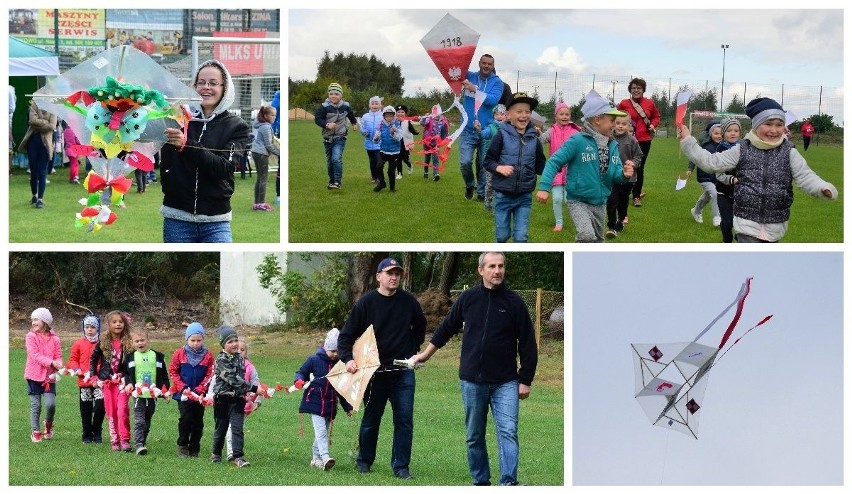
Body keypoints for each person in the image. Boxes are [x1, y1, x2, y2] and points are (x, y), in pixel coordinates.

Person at [410, 252, 538, 486]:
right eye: (492, 266)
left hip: (506, 381)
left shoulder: (514, 303)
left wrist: (525, 379)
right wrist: (425, 355)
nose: (497, 270)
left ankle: (508, 482)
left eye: (501, 266)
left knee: (508, 431)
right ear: (481, 270)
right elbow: (446, 328)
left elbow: (528, 344)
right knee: (474, 436)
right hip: (472, 380)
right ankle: (481, 482)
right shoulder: (468, 298)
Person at [677, 97, 838, 243]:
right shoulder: (742, 149)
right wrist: (688, 141)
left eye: (779, 125)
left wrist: (822, 187)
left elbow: (805, 176)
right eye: (768, 124)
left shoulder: (789, 152)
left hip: (776, 225)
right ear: (756, 125)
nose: (774, 130)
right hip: (746, 226)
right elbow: (712, 162)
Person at [338, 257, 426, 479]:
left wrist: (414, 349)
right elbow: (346, 336)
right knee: (372, 418)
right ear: (379, 277)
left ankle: (401, 467)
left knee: (404, 420)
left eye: (397, 273)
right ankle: (364, 461)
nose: (394, 277)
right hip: (375, 373)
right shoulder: (367, 303)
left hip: (403, 373)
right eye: (389, 273)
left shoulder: (409, 302)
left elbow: (421, 325)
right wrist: (348, 359)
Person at [161, 59, 251, 243]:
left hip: (216, 222)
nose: (206, 87)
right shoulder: (176, 117)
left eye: (213, 83)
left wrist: (187, 145)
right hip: (176, 219)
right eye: (201, 82)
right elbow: (141, 133)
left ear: (224, 87)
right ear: (193, 86)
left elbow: (224, 168)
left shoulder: (236, 126)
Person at [536, 90, 635, 242]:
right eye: (612, 120)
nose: (615, 125)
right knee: (587, 235)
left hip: (600, 201)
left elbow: (615, 174)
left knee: (598, 240)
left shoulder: (613, 145)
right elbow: (554, 161)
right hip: (578, 200)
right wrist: (544, 187)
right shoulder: (577, 141)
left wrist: (624, 174)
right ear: (598, 120)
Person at [482, 93, 546, 243]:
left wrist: (556, 173)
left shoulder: (534, 139)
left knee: (521, 237)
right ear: (509, 115)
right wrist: (499, 168)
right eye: (519, 111)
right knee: (502, 236)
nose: (524, 115)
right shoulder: (501, 135)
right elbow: (488, 161)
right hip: (503, 196)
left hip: (524, 197)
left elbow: (540, 165)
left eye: (527, 111)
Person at [294, 328, 353, 471]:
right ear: (326, 347)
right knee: (320, 433)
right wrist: (299, 380)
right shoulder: (313, 360)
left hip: (330, 405)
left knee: (322, 433)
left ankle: (316, 459)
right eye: (332, 351)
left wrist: (347, 407)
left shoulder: (339, 366)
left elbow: (340, 389)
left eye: (338, 351)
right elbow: (301, 372)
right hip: (315, 403)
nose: (335, 354)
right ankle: (325, 457)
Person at [210, 325, 258, 468]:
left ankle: (238, 456)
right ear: (223, 344)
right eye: (230, 342)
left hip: (237, 400)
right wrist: (254, 388)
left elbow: (243, 377)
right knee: (221, 428)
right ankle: (216, 453)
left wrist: (247, 394)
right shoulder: (220, 360)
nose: (234, 344)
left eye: (236, 340)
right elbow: (233, 379)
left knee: (237, 428)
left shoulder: (240, 358)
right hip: (222, 399)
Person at [459, 54, 504, 201]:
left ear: (493, 65)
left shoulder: (497, 82)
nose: (486, 66)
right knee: (465, 162)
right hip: (467, 129)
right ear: (479, 63)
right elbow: (456, 70)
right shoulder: (470, 76)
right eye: (484, 63)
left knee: (485, 165)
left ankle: (481, 193)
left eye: (489, 64)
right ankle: (469, 185)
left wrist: (474, 90)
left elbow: (492, 100)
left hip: (487, 130)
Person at [168, 321, 214, 458]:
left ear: (203, 339)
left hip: (200, 395)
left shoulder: (208, 355)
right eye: (192, 340)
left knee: (198, 422)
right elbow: (173, 371)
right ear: (187, 339)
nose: (195, 343)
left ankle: (194, 447)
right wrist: (182, 388)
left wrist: (201, 389)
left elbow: (210, 374)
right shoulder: (179, 353)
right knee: (186, 419)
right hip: (183, 394)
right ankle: (183, 445)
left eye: (199, 340)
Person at [89, 310, 133, 452]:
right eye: (114, 322)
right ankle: (115, 440)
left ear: (124, 324)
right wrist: (94, 376)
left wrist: (129, 379)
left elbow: (132, 364)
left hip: (123, 383)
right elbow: (93, 359)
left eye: (120, 322)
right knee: (111, 411)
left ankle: (125, 439)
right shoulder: (103, 342)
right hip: (107, 382)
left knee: (122, 410)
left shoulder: (128, 343)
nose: (118, 324)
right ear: (108, 325)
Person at [122, 328, 170, 455]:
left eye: (142, 340)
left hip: (152, 395)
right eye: (136, 341)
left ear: (147, 340)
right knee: (139, 420)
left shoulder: (157, 356)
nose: (140, 343)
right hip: (138, 395)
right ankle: (138, 444)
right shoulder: (130, 357)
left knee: (147, 422)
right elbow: (125, 373)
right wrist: (128, 383)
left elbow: (164, 376)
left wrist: (165, 391)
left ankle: (142, 442)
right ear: (132, 343)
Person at [539, 102, 582, 231]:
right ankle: (559, 223)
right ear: (556, 116)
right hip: (556, 171)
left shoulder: (576, 131)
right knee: (557, 198)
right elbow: (540, 141)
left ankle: (579, 223)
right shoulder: (551, 130)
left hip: (572, 172)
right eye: (561, 114)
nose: (564, 116)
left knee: (569, 200)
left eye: (567, 114)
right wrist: (537, 134)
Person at [617, 77, 660, 207]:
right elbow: (615, 117)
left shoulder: (649, 103)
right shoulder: (624, 103)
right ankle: (620, 191)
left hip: (643, 140)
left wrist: (653, 125)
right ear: (630, 89)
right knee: (621, 164)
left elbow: (656, 116)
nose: (636, 90)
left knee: (638, 167)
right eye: (634, 88)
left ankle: (636, 196)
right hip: (625, 140)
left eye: (639, 88)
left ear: (643, 90)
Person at [25, 307, 62, 443]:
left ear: (45, 322)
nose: (33, 322)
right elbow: (35, 355)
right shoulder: (31, 336)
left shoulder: (55, 339)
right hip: (33, 376)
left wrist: (58, 363)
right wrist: (52, 362)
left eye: (36, 319)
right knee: (36, 405)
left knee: (50, 405)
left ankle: (48, 424)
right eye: (32, 320)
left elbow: (58, 355)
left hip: (49, 378)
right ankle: (35, 431)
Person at [67, 314, 105, 444]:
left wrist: (101, 373)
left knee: (100, 407)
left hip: (99, 382)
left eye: (93, 327)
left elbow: (107, 360)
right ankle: (87, 433)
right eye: (87, 327)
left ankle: (97, 430)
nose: (90, 330)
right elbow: (72, 360)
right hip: (84, 382)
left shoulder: (102, 343)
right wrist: (76, 368)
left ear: (98, 328)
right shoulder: (78, 343)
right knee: (86, 409)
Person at [606, 114, 644, 238]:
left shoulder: (632, 140)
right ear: (613, 124)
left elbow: (639, 156)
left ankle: (621, 220)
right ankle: (611, 226)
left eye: (624, 124)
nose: (620, 126)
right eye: (618, 123)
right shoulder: (609, 139)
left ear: (629, 126)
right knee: (612, 201)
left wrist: (633, 163)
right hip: (612, 176)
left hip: (628, 177)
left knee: (622, 201)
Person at [315, 82, 358, 190]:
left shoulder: (346, 106)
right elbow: (318, 119)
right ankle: (332, 181)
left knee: (336, 158)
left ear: (341, 95)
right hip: (327, 138)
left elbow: (351, 115)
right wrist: (327, 124)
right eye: (331, 93)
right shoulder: (324, 107)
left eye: (336, 94)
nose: (334, 96)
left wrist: (354, 123)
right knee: (330, 162)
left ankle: (337, 182)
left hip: (340, 136)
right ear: (328, 94)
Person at [18, 99, 57, 208]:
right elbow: (31, 121)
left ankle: (40, 199)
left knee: (42, 172)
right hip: (32, 142)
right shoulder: (34, 105)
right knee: (33, 171)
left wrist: (39, 123)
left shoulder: (53, 108)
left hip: (45, 144)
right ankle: (34, 195)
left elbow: (52, 126)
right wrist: (45, 122)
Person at [685, 120, 723, 227]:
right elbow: (694, 157)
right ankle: (717, 217)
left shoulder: (724, 146)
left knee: (708, 196)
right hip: (704, 176)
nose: (718, 136)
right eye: (716, 133)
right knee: (715, 194)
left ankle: (696, 211)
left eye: (720, 133)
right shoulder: (704, 145)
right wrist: (690, 169)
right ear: (710, 134)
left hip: (717, 177)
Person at [713, 118, 743, 243]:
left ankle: (741, 238)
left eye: (736, 130)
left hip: (741, 193)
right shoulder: (721, 149)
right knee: (728, 222)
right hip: (724, 193)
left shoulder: (744, 148)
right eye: (729, 130)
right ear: (723, 133)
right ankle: (726, 239)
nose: (733, 133)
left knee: (742, 223)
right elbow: (718, 175)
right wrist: (732, 179)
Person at [477, 104, 508, 213]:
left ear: (506, 115)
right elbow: (484, 135)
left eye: (502, 114)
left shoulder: (509, 128)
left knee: (501, 183)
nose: (500, 117)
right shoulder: (491, 128)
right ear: (493, 116)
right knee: (490, 183)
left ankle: (498, 204)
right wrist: (480, 130)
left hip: (504, 161)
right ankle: (488, 203)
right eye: (497, 114)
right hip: (491, 161)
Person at [250, 104, 279, 211]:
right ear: (265, 116)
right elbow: (269, 145)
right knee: (263, 178)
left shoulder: (260, 125)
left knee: (259, 178)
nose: (274, 117)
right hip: (261, 154)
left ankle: (257, 203)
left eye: (275, 115)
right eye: (272, 115)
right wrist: (279, 153)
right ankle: (261, 203)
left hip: (256, 152)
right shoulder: (266, 127)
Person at [373, 105, 403, 192]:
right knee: (378, 166)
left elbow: (399, 138)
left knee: (391, 171)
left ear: (394, 116)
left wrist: (393, 133)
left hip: (394, 153)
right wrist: (375, 139)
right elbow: (376, 138)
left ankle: (392, 188)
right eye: (387, 116)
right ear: (384, 116)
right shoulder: (381, 125)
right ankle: (382, 183)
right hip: (383, 151)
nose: (389, 117)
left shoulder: (397, 125)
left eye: (391, 115)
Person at [419, 105, 449, 181]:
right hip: (427, 142)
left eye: (439, 114)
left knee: (435, 159)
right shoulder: (429, 119)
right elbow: (422, 123)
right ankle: (426, 171)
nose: (438, 115)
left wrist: (441, 142)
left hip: (436, 143)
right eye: (436, 114)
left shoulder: (443, 122)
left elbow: (444, 133)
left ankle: (436, 174)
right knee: (427, 158)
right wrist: (424, 117)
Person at [360, 96, 385, 185]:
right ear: (369, 105)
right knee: (372, 161)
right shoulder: (365, 116)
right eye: (372, 103)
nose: (374, 105)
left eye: (376, 103)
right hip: (369, 144)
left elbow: (386, 128)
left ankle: (379, 177)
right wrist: (364, 132)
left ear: (380, 105)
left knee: (378, 161)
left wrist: (380, 135)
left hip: (380, 144)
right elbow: (362, 128)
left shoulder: (383, 116)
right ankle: (374, 177)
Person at [395, 105, 419, 176]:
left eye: (402, 112)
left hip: (405, 143)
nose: (400, 113)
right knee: (398, 158)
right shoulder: (394, 122)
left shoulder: (407, 122)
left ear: (405, 113)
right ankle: (399, 173)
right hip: (397, 143)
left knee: (405, 159)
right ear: (396, 113)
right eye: (398, 112)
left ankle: (409, 165)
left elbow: (412, 130)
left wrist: (416, 132)